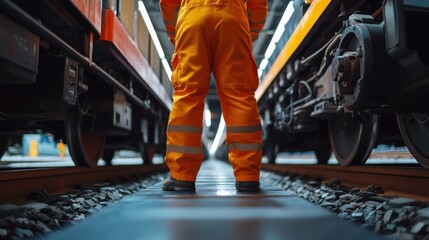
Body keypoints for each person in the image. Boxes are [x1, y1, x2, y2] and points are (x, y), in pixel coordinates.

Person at [160, 0, 267, 192]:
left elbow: (167, 3)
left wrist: (174, 31)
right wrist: (249, 31)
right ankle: (247, 176)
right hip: (233, 18)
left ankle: (182, 176)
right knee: (239, 95)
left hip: (192, 18)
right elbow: (258, 4)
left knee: (188, 95)